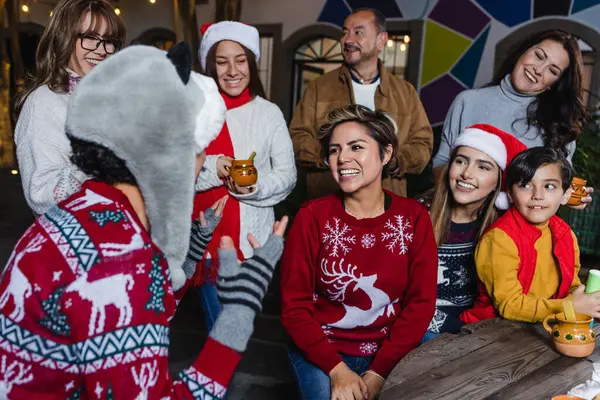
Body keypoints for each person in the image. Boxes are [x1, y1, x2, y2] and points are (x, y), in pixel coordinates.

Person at [0, 42, 288, 398]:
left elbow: (128, 311)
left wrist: (193, 248)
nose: (200, 165)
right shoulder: (124, 261)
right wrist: (237, 317)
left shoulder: (81, 211)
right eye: (199, 151)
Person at [281, 105, 437, 400]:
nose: (343, 159)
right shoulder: (312, 217)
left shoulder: (414, 217)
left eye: (356, 147)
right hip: (322, 349)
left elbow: (420, 303)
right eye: (334, 150)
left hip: (391, 348)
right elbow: (295, 308)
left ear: (386, 153)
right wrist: (337, 370)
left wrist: (379, 372)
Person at [192, 21, 296, 330]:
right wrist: (213, 166)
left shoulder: (268, 113)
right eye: (221, 62)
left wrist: (253, 187)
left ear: (251, 63)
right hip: (203, 242)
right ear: (211, 66)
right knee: (224, 332)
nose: (232, 70)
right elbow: (172, 175)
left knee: (238, 331)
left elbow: (287, 175)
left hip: (251, 243)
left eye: (240, 60)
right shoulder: (195, 112)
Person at [433, 30, 593, 209]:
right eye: (539, 56)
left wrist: (570, 197)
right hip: (461, 223)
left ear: (554, 84)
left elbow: (560, 187)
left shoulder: (560, 125)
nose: (538, 70)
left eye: (552, 71)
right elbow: (441, 161)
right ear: (524, 51)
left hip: (519, 233)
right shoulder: (467, 101)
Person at [290, 7, 433, 202]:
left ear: (381, 40)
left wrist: (394, 160)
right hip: (328, 202)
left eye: (358, 32)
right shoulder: (319, 88)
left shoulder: (405, 92)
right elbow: (297, 137)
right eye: (344, 32)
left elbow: (422, 144)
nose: (348, 40)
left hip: (386, 202)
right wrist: (333, 155)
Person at [460, 147, 600, 324]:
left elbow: (570, 285)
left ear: (565, 195)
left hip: (544, 323)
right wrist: (568, 306)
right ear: (510, 194)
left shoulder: (565, 234)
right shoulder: (499, 239)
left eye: (549, 186)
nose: (537, 196)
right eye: (525, 185)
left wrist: (585, 301)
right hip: (490, 329)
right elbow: (510, 305)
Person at [14, 0, 126, 215]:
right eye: (90, 38)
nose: (102, 50)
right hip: (81, 242)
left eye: (109, 40)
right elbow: (40, 195)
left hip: (128, 235)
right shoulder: (46, 101)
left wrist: (211, 168)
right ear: (64, 38)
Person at [423, 124, 526, 341]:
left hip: (480, 328)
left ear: (499, 181)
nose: (467, 174)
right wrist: (457, 329)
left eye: (483, 167)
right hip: (424, 325)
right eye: (460, 161)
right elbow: (397, 296)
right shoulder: (417, 214)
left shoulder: (504, 226)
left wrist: (562, 197)